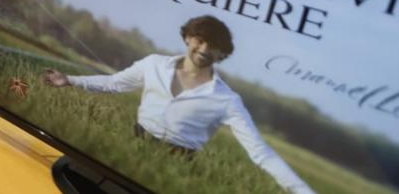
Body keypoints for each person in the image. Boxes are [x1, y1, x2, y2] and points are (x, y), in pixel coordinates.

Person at [43, 15, 314, 194]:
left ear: (223, 54)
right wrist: (68, 79)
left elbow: (261, 153)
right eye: (200, 40)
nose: (205, 49)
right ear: (188, 38)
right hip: (132, 144)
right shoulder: (153, 64)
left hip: (176, 164)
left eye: (214, 46)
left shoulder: (227, 100)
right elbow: (115, 83)